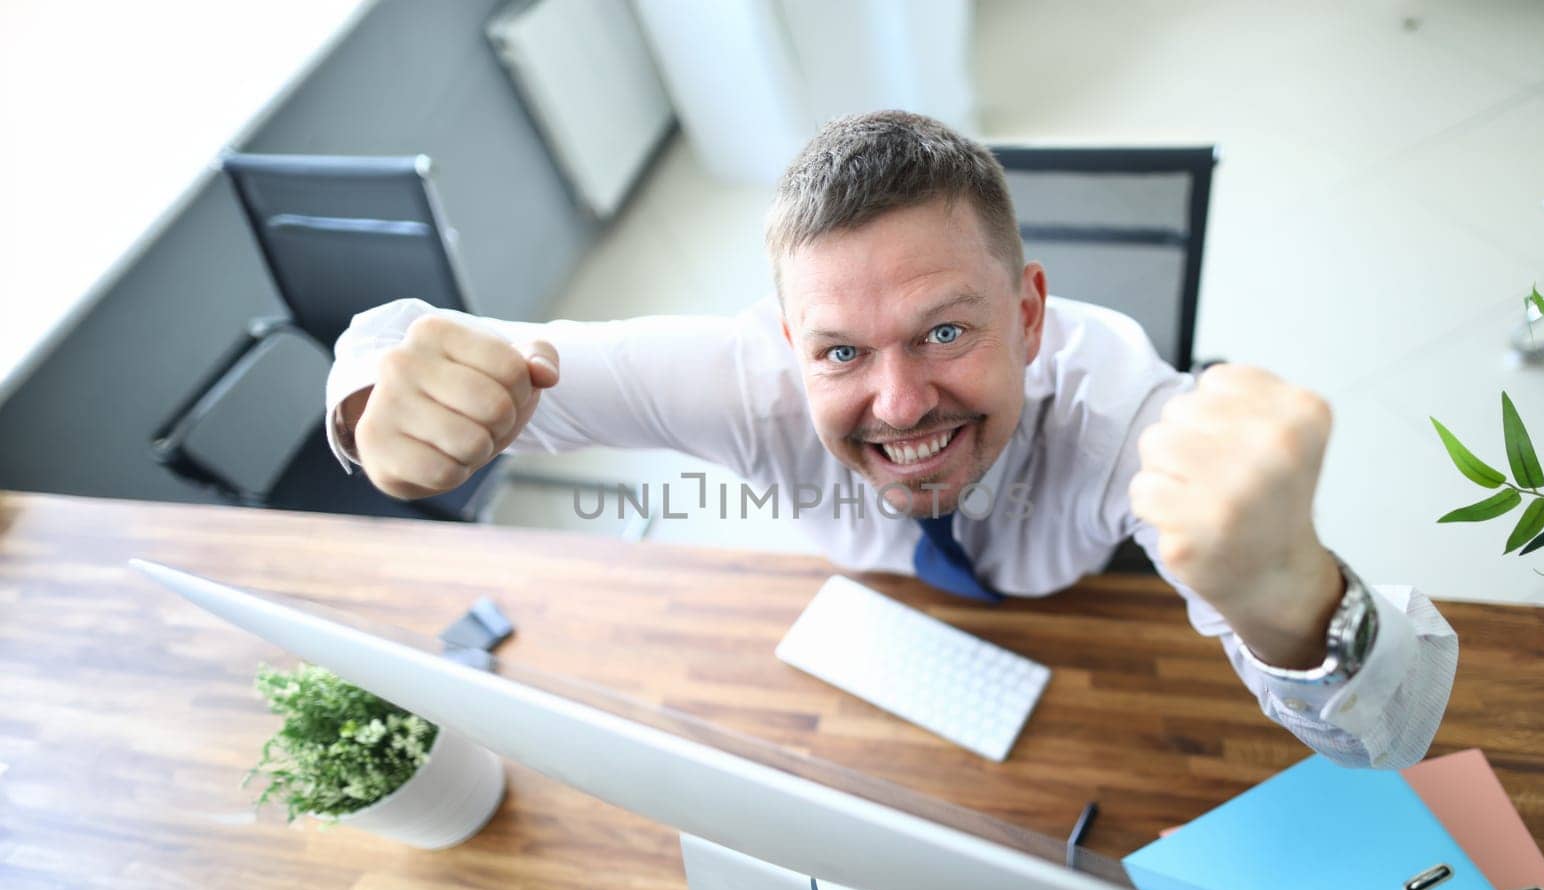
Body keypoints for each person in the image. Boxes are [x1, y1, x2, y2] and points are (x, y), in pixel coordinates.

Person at [324, 111, 1456, 770]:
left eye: (946, 330)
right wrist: (383, 397)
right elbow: (428, 345)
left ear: (1028, 313)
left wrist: (1288, 602)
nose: (901, 403)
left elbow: (1390, 741)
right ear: (784, 342)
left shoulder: (1123, 414)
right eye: (839, 353)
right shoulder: (736, 375)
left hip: (1083, 616)